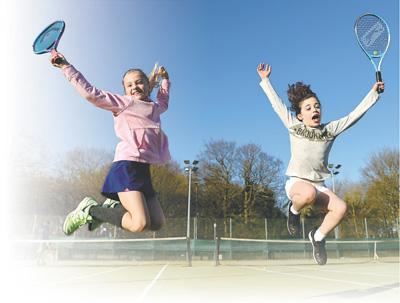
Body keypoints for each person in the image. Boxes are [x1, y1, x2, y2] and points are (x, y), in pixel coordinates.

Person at [257, 63, 384, 265]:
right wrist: (265, 80)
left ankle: (317, 237)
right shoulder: (294, 125)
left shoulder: (330, 130)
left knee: (341, 208)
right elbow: (277, 104)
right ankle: (294, 211)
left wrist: (373, 94)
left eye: (317, 106)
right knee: (307, 194)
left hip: (318, 186)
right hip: (297, 184)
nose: (314, 109)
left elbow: (353, 116)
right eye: (308, 108)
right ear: (300, 115)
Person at [50, 52, 171, 235]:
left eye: (139, 82)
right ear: (124, 90)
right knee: (139, 223)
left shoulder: (155, 108)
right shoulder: (123, 103)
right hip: (126, 167)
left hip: (143, 170)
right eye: (129, 85)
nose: (134, 87)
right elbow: (91, 93)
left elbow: (164, 100)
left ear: (147, 85)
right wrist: (67, 67)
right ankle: (89, 210)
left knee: (156, 223)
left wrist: (165, 80)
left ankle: (112, 205)